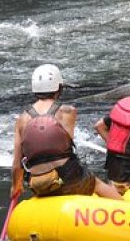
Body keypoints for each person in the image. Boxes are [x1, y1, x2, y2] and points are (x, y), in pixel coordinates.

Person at [11, 64, 121, 200]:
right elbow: (65, 144)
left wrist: (16, 186)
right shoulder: (68, 112)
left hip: (39, 184)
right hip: (67, 179)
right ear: (59, 88)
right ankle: (125, 208)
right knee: (95, 183)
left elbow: (17, 163)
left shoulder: (21, 120)